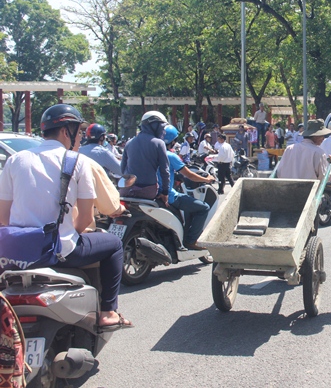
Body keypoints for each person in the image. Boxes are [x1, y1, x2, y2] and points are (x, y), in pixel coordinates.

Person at [0, 104, 132, 330]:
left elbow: (4, 216)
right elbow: (82, 222)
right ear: (65, 131)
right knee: (114, 244)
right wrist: (76, 230)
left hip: (15, 253)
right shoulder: (77, 161)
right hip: (61, 250)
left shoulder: (16, 160)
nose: (80, 137)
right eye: (79, 132)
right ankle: (108, 312)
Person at [160, 125, 214, 250]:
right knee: (204, 208)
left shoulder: (152, 153)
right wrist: (207, 179)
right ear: (172, 141)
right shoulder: (171, 155)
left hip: (152, 193)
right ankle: (191, 241)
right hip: (170, 195)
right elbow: (190, 175)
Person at [120, 110, 170, 204]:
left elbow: (123, 169)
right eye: (162, 127)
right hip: (148, 192)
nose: (163, 130)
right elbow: (165, 171)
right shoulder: (159, 143)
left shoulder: (129, 143)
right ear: (154, 126)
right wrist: (165, 192)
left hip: (126, 191)